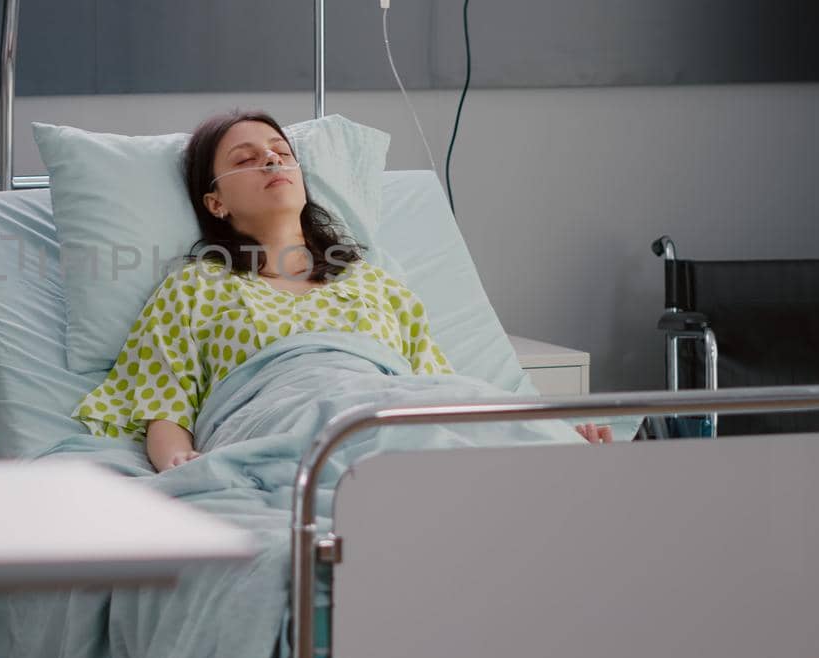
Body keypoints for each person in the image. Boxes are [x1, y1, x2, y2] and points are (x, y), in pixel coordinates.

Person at [72, 111, 611, 472]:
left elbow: (434, 388)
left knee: (502, 449)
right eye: (245, 159)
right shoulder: (195, 286)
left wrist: (544, 439)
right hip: (285, 425)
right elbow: (165, 407)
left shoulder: (374, 284)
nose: (272, 161)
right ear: (216, 203)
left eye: (281, 152)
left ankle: (547, 473)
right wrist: (180, 464)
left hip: (395, 416)